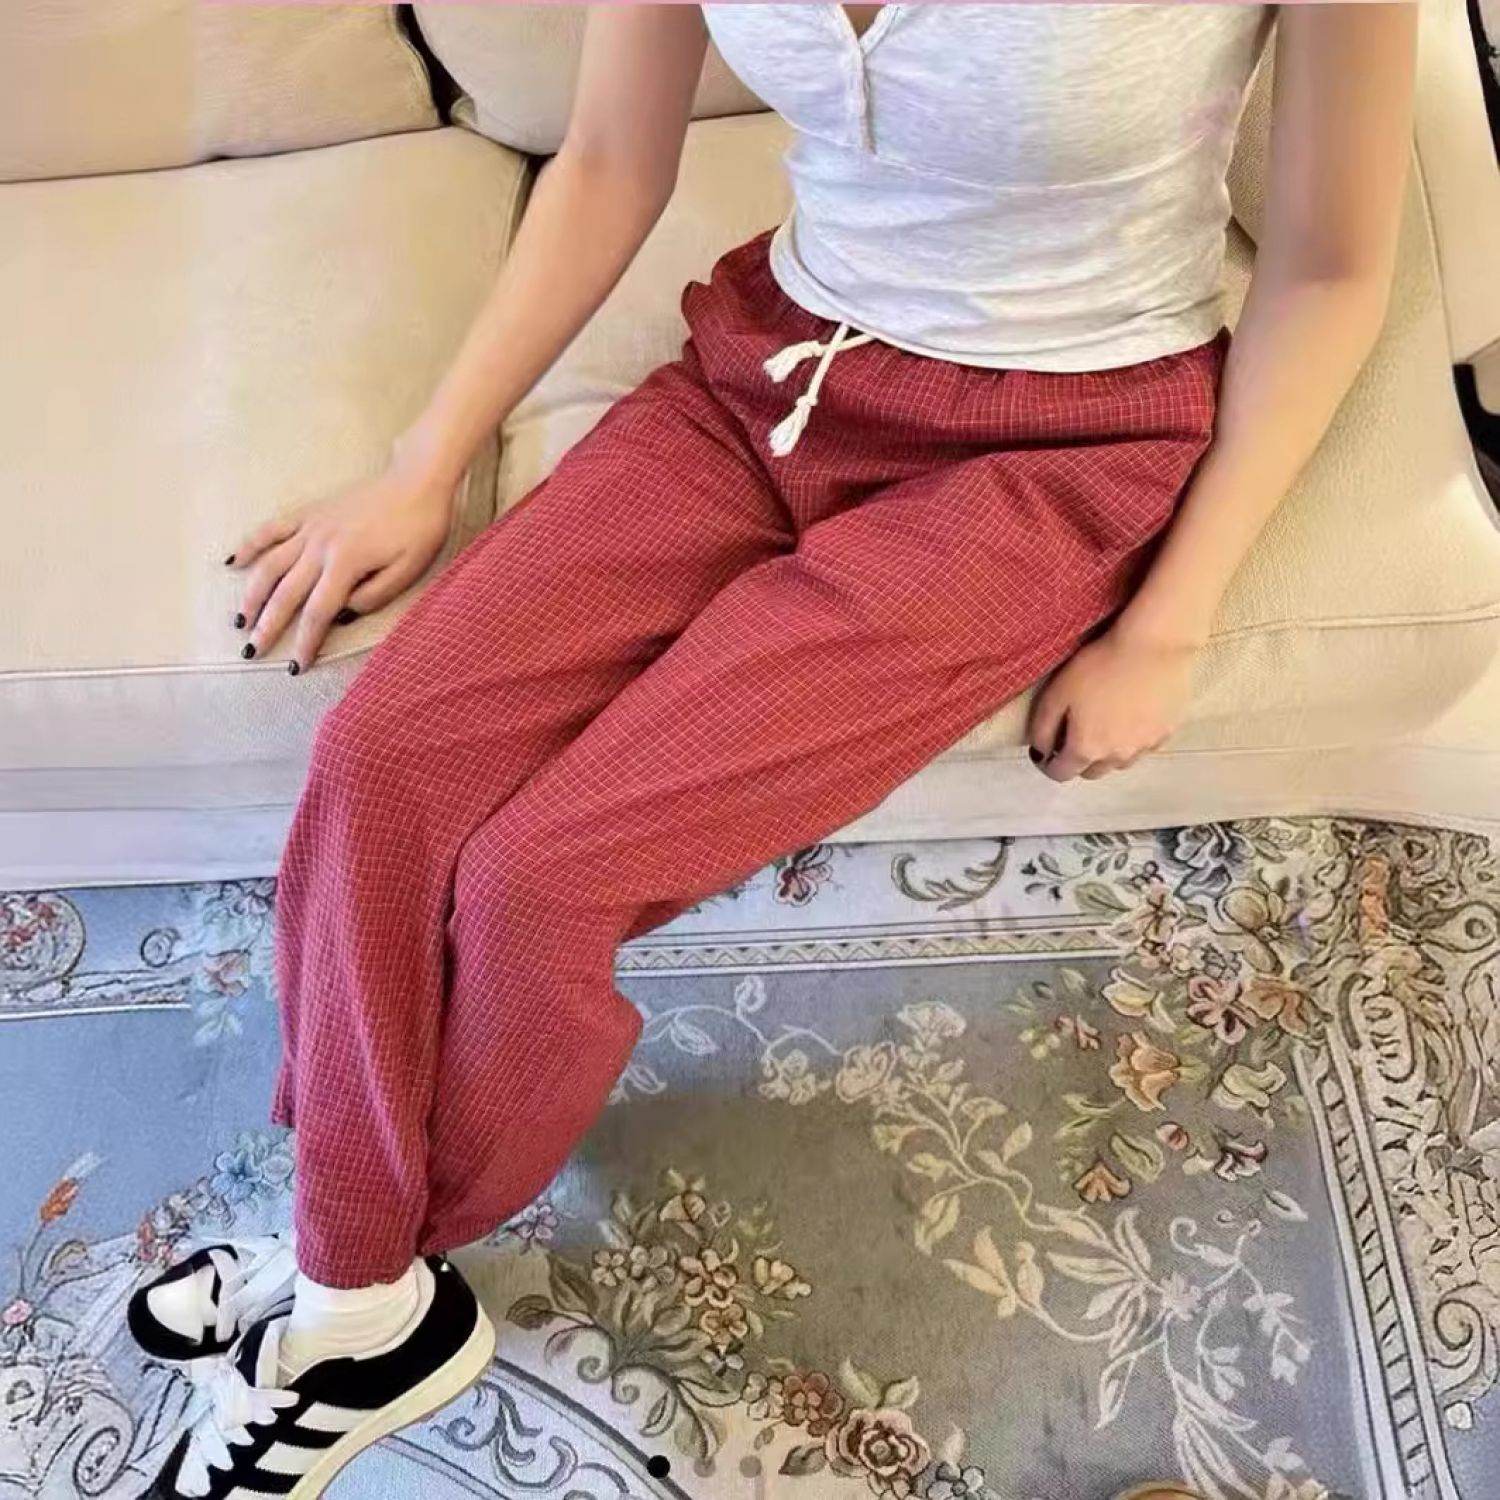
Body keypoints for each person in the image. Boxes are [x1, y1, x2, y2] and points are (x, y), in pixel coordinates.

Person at [130, 6, 1417, 1498]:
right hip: (773, 375)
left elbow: (1332, 266)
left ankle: (355, 1269)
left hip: (1051, 451)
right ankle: (358, 1279)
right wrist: (423, 464)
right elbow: (608, 158)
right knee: (381, 756)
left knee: (540, 879)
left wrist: (1170, 621)